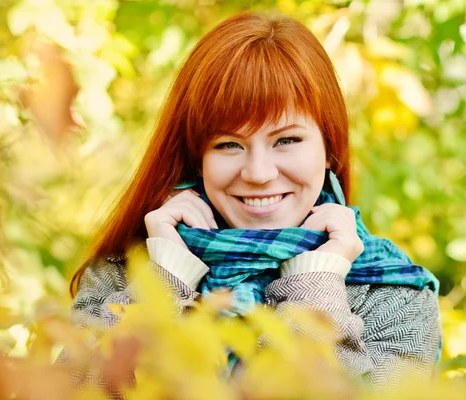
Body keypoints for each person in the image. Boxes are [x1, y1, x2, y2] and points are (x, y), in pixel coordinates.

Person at [64, 11, 441, 394]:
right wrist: (164, 283)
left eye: (287, 140)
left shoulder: (394, 295)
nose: (258, 172)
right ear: (199, 158)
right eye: (229, 144)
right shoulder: (123, 274)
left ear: (329, 148)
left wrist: (314, 288)